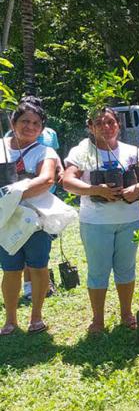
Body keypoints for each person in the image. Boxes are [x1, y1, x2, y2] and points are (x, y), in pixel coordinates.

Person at [62, 107, 139, 333]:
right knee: (98, 271)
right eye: (99, 123)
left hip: (130, 219)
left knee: (126, 268)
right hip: (95, 222)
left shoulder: (131, 151)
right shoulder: (82, 152)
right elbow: (67, 181)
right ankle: (98, 320)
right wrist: (96, 189)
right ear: (90, 127)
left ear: (118, 124)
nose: (106, 127)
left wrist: (138, 187)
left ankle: (126, 313)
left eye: (110, 122)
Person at [0, 99, 59, 335]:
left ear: (42, 129)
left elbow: (46, 180)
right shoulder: (1, 146)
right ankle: (10, 319)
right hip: (5, 221)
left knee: (38, 266)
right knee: (10, 269)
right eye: (25, 121)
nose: (30, 127)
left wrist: (10, 192)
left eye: (36, 123)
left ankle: (36, 317)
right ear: (13, 123)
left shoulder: (46, 151)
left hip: (36, 220)